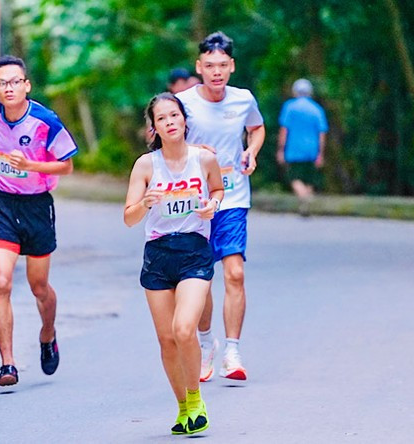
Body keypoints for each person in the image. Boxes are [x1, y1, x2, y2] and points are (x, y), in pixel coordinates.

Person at [0, 55, 77, 387]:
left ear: (27, 85)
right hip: (3, 205)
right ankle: (7, 364)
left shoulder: (46, 121)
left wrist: (31, 166)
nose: (9, 88)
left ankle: (48, 333)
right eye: (3, 83)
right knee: (2, 282)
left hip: (37, 206)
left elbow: (67, 165)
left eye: (15, 82)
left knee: (38, 287)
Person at [125, 93, 223, 435]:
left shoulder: (204, 159)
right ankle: (183, 409)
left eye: (174, 115)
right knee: (167, 339)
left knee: (184, 329)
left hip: (194, 250)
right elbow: (128, 217)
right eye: (162, 118)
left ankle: (196, 400)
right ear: (153, 128)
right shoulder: (146, 165)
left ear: (184, 120)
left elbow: (217, 189)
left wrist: (212, 205)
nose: (169, 122)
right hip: (158, 255)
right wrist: (145, 203)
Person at [176, 31, 265, 382]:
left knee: (235, 272)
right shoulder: (183, 103)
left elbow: (256, 128)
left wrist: (251, 151)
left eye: (223, 66)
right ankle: (205, 343)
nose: (216, 72)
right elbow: (166, 140)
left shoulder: (243, 99)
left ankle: (233, 351)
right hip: (195, 201)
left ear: (232, 67)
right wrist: (195, 153)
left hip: (232, 196)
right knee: (200, 278)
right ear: (199, 67)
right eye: (210, 65)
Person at [276, 78, 328, 215]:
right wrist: (321, 153)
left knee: (293, 178)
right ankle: (305, 204)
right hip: (312, 150)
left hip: (294, 150)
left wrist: (281, 149)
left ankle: (304, 199)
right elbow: (322, 133)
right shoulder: (317, 109)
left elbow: (284, 130)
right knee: (309, 179)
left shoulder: (289, 107)